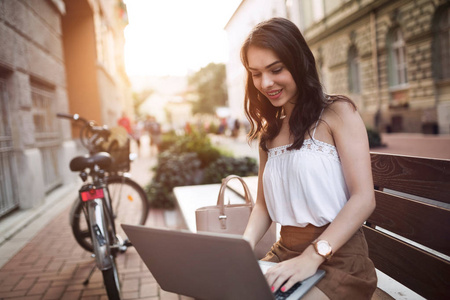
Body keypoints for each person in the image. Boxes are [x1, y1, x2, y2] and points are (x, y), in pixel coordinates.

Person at [241, 18, 377, 299]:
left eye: (276, 69)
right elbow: (263, 207)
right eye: (256, 74)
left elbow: (364, 198)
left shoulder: (337, 113)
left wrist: (313, 256)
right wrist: (241, 249)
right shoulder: (270, 133)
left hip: (339, 257)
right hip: (285, 255)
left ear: (299, 62)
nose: (266, 83)